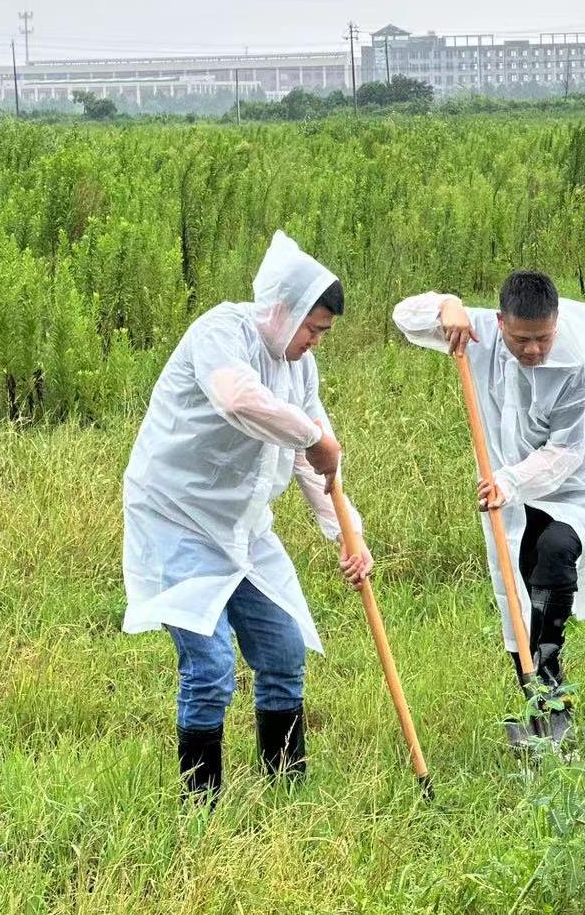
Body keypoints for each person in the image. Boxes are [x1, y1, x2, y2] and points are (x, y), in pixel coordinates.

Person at [122, 231, 373, 804]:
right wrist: (314, 438)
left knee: (284, 651)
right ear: (283, 310)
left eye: (323, 333)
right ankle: (199, 809)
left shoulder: (299, 368)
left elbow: (316, 469)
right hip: (176, 519)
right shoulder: (221, 332)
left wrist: (347, 536)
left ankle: (287, 794)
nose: (314, 342)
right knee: (209, 666)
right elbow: (239, 400)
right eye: (313, 328)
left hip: (243, 528)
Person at [393, 270, 585, 743]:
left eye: (542, 338)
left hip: (571, 492)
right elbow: (404, 317)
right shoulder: (478, 332)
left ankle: (551, 696)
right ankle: (542, 705)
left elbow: (565, 454)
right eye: (522, 339)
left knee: (556, 552)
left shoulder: (575, 367)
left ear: (556, 324)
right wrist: (446, 304)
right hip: (506, 494)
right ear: (501, 323)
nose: (532, 350)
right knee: (519, 594)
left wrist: (510, 480)